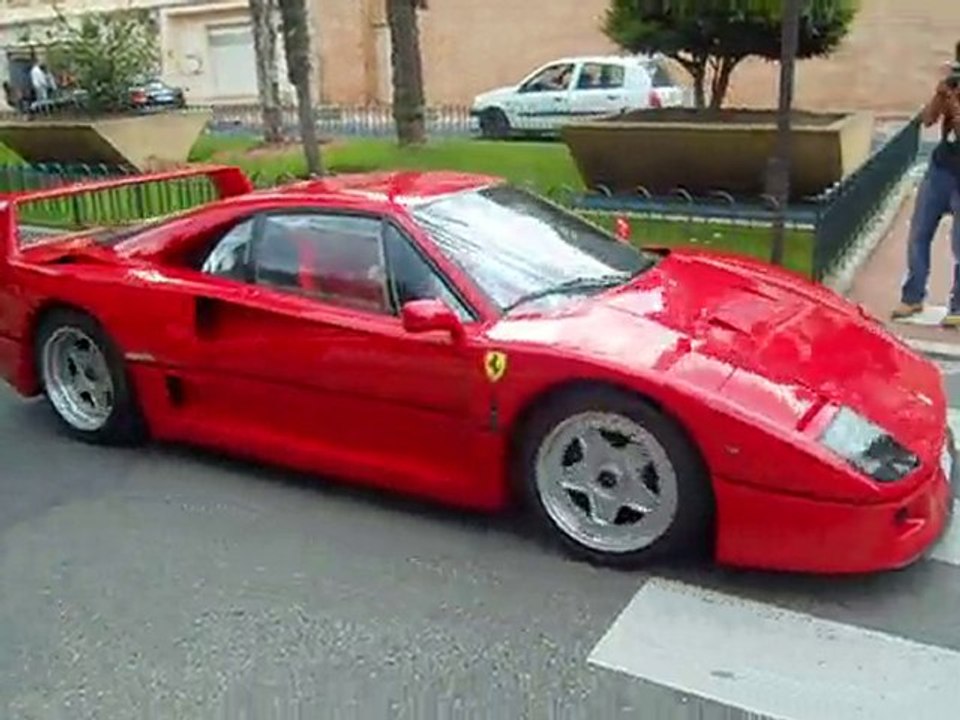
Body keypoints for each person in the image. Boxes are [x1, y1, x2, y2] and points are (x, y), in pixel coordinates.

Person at [894, 46, 960, 326]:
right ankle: (912, 297)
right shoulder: (951, 89)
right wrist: (940, 95)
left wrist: (955, 105)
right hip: (940, 170)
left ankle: (957, 307)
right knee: (919, 233)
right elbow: (928, 119)